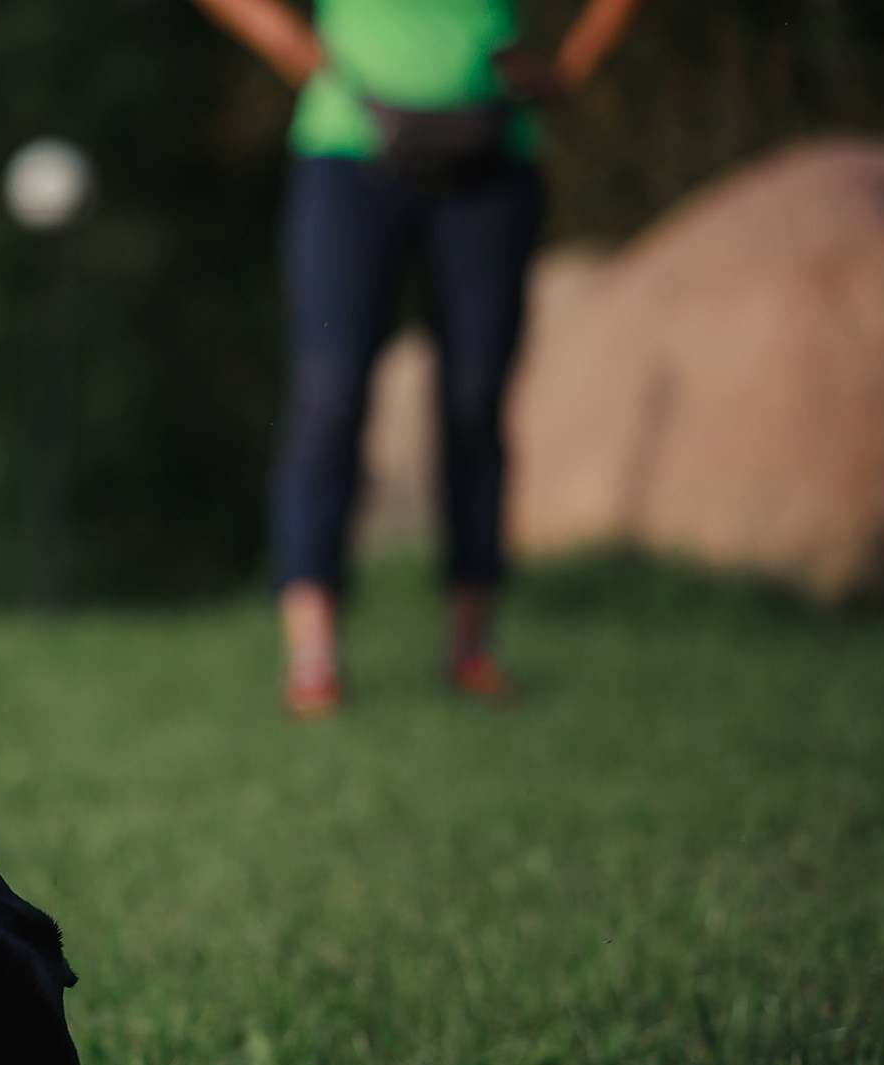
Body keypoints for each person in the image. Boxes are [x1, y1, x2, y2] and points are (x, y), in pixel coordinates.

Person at [194, 0, 643, 716]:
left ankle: (471, 645)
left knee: (474, 398)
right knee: (330, 390)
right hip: (350, 150)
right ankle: (313, 651)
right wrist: (302, 53)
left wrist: (570, 67)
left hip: (493, 156)